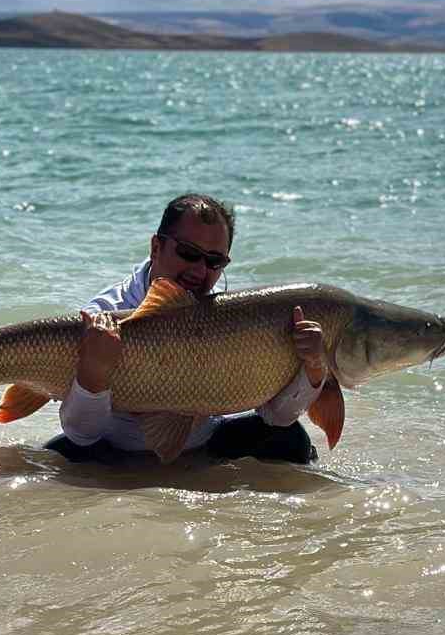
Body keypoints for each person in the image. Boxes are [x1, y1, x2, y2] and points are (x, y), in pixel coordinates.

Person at [46, 193, 326, 464]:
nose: (200, 271)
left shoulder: (232, 317)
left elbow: (277, 416)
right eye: (189, 253)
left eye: (214, 261)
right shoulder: (103, 316)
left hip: (204, 445)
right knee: (58, 458)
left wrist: (312, 369)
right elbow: (81, 434)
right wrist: (94, 372)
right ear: (156, 247)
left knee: (292, 440)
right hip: (114, 451)